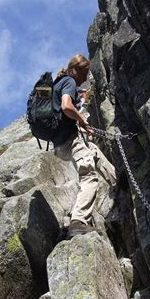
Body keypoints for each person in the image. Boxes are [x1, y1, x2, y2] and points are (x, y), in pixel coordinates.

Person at [52, 54, 117, 239]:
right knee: (89, 177)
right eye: (85, 73)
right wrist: (81, 119)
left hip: (60, 144)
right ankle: (78, 222)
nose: (86, 78)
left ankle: (115, 178)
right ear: (77, 70)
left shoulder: (58, 83)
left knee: (93, 150)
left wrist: (80, 124)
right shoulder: (69, 82)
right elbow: (66, 107)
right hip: (70, 141)